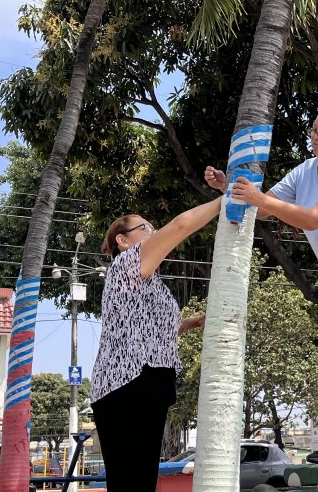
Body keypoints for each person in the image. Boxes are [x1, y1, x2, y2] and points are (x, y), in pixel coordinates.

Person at [205, 105, 318, 464]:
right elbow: (267, 208)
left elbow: (313, 219)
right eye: (313, 130)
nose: (315, 137)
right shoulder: (305, 172)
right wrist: (230, 188)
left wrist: (259, 198)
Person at [89, 196, 220, 492]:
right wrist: (223, 201)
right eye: (145, 227)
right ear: (123, 240)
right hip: (124, 384)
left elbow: (153, 329)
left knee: (140, 481)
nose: (154, 231)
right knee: (130, 481)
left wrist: (189, 322)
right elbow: (180, 225)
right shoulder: (126, 265)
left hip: (150, 383)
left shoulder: (152, 283)